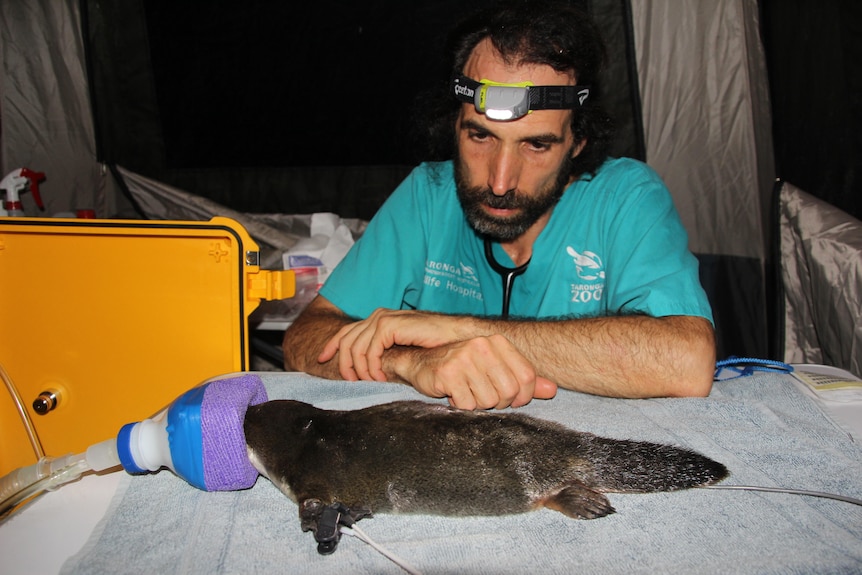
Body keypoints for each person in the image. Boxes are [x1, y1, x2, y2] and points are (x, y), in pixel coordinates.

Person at [283, 0, 716, 410]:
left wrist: (462, 332)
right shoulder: (427, 195)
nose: (500, 181)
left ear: (578, 142)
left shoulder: (627, 197)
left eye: (537, 145)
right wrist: (410, 362)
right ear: (453, 124)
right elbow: (305, 338)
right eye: (480, 137)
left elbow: (688, 362)